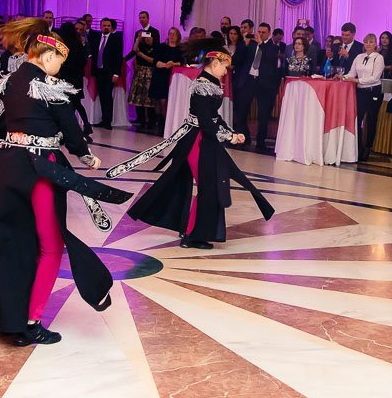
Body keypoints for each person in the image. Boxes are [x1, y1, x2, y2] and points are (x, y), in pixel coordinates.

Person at [0, 18, 131, 346]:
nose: (60, 68)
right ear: (48, 55)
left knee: (11, 239)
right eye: (60, 62)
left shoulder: (11, 80)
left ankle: (0, 312)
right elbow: (71, 131)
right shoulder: (47, 85)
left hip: (5, 168)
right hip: (38, 170)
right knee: (51, 246)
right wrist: (87, 157)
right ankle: (30, 321)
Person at [106, 45, 274, 249]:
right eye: (224, 66)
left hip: (205, 139)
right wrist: (229, 136)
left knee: (210, 185)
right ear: (215, 63)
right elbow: (205, 121)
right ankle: (192, 235)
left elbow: (213, 117)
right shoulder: (202, 86)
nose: (226, 71)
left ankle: (191, 229)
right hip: (197, 141)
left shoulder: (211, 83)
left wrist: (232, 132)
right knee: (208, 187)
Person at [234, 22, 283, 152]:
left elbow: (269, 58)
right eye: (259, 32)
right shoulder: (251, 44)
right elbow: (238, 59)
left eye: (263, 32)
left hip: (264, 84)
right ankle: (245, 138)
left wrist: (261, 44)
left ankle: (260, 143)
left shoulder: (273, 47)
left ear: (269, 33)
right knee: (241, 111)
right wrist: (244, 43)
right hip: (249, 80)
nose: (260, 34)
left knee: (263, 115)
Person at [345, 33, 385, 158]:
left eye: (371, 42)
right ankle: (358, 146)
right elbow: (351, 73)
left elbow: (375, 77)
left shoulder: (378, 58)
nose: (368, 44)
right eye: (366, 41)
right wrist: (343, 77)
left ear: (375, 44)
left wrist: (358, 80)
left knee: (371, 119)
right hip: (361, 91)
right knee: (358, 119)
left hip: (374, 91)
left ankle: (368, 147)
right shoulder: (359, 56)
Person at [56, 21, 92, 141]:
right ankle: (85, 126)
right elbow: (83, 61)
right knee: (76, 103)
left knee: (67, 104)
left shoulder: (62, 45)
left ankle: (68, 129)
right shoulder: (78, 44)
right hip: (76, 78)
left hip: (65, 78)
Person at [151, 27, 185, 134]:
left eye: (174, 34)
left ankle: (165, 126)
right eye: (170, 33)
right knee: (157, 101)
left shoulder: (180, 49)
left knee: (164, 102)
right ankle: (159, 124)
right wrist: (164, 65)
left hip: (172, 78)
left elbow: (182, 62)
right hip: (159, 76)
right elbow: (155, 61)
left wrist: (173, 64)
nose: (172, 36)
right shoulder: (162, 47)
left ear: (178, 36)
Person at [91, 18, 124, 129]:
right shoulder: (96, 38)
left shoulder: (116, 39)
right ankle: (103, 119)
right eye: (104, 25)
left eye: (108, 26)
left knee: (108, 97)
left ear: (111, 27)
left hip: (109, 73)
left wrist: (116, 73)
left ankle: (108, 121)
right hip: (99, 72)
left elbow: (118, 57)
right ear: (101, 27)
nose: (106, 27)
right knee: (101, 96)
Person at [126, 28, 157, 132]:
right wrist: (138, 40)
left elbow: (153, 60)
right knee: (138, 98)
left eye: (150, 37)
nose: (148, 39)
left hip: (150, 73)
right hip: (140, 73)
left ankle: (151, 121)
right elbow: (135, 50)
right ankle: (141, 120)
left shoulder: (156, 48)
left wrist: (141, 55)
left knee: (149, 99)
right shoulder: (141, 45)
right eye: (146, 37)